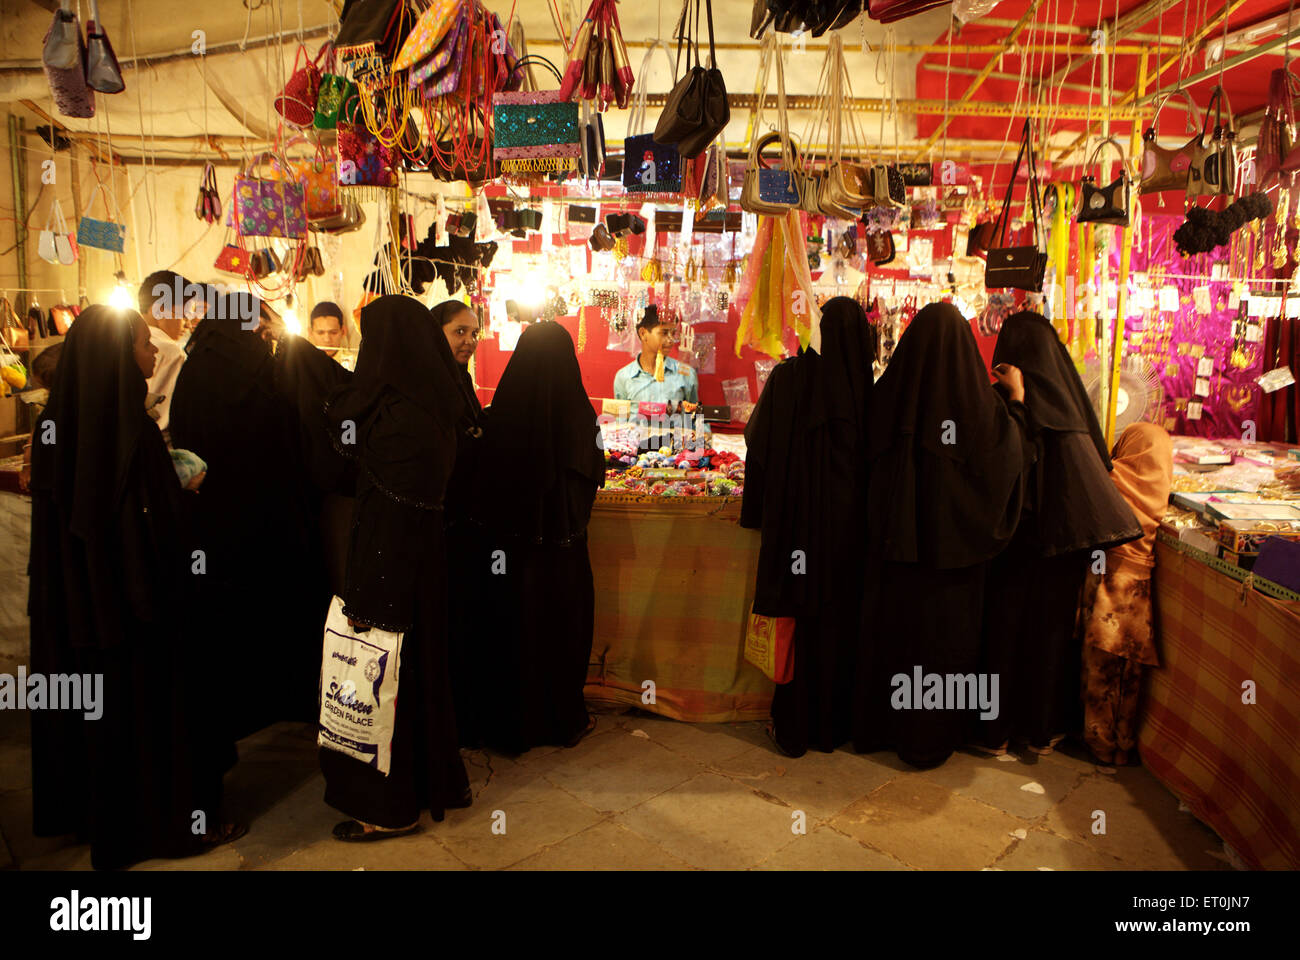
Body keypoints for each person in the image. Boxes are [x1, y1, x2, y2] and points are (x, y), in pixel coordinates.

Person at [28, 306, 242, 870]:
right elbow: (155, 527)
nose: (153, 355)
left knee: (101, 721)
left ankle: (103, 825)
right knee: (154, 719)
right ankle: (171, 828)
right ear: (119, 356)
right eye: (145, 345)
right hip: (140, 608)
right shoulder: (131, 430)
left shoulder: (55, 426)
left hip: (80, 607)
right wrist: (186, 496)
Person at [853, 302, 1034, 769]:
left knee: (894, 641)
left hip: (896, 559)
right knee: (942, 653)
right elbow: (1006, 461)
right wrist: (1014, 401)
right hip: (953, 567)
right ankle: (928, 740)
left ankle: (882, 728)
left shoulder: (888, 395)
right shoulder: (979, 407)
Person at [321, 295, 476, 840]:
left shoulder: (394, 419)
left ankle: (390, 805)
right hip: (423, 562)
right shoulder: (435, 406)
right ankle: (434, 784)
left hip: (388, 565)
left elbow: (340, 435)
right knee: (418, 673)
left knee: (385, 682)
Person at [974, 311, 1143, 756]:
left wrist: (1015, 403)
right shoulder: (1072, 409)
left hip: (1013, 545)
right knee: (1048, 639)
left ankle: (995, 732)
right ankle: (1040, 730)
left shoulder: (1002, 403)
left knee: (1004, 634)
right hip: (1062, 549)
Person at [169, 290, 327, 739]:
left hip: (224, 526)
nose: (263, 339)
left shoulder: (197, 376)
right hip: (263, 522)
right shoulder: (258, 377)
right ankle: (281, 697)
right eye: (256, 330)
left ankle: (253, 705)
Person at [742, 297, 876, 757]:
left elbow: (756, 444)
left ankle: (795, 725)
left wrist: (765, 507)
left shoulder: (787, 380)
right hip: (849, 541)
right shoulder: (867, 391)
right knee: (840, 626)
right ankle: (835, 725)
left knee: (798, 624)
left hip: (797, 533)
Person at [470, 322, 606, 754]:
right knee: (561, 632)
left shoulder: (501, 414)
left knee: (511, 632)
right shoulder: (581, 415)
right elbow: (594, 474)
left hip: (508, 557)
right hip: (563, 557)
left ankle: (512, 725)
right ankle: (561, 720)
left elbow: (484, 485)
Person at [1079, 423, 1174, 765]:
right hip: (1138, 592)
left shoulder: (1113, 482)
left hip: (1110, 584)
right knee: (1128, 676)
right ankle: (1121, 744)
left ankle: (1099, 743)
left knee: (1100, 671)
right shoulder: (1159, 486)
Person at [431, 300, 489, 747]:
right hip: (441, 524)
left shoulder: (460, 382)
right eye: (459, 332)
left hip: (466, 521)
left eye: (473, 332)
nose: (469, 341)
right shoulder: (430, 386)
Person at [137, 269, 201, 443]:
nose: (187, 325)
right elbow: (164, 421)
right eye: (183, 315)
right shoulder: (170, 352)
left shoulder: (122, 343)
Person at [612, 305, 699, 405]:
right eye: (664, 333)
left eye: (673, 333)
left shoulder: (686, 374)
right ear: (643, 333)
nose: (671, 340)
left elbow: (693, 416)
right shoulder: (624, 377)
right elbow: (621, 418)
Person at [308, 301, 354, 370]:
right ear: (310, 333)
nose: (327, 339)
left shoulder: (355, 364)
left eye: (333, 332)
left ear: (343, 331)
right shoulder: (303, 363)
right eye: (320, 333)